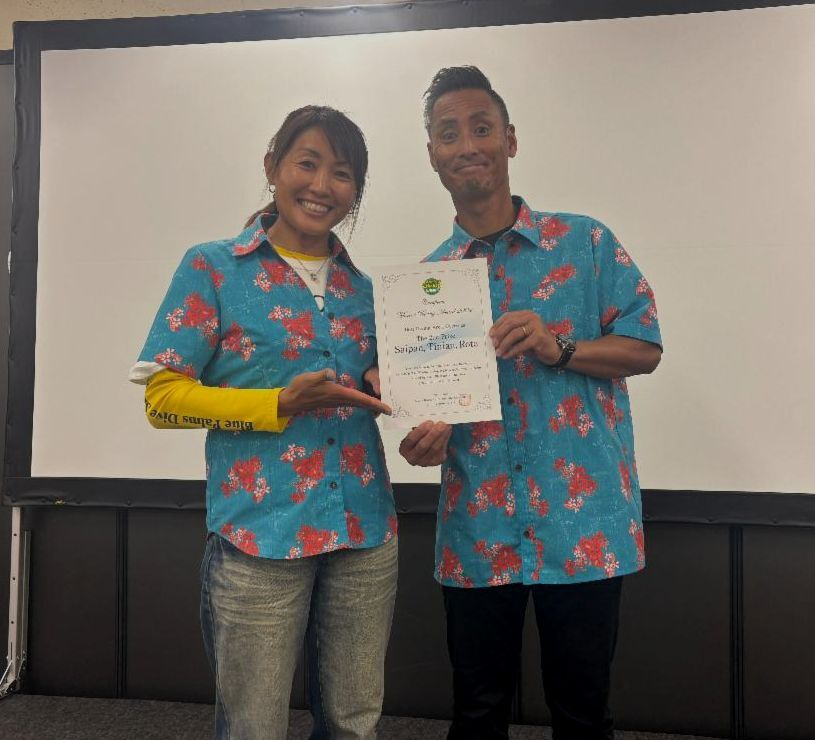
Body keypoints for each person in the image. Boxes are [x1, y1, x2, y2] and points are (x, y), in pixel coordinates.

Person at [399, 66, 663, 740]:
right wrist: (421, 438)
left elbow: (644, 346)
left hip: (584, 531)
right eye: (448, 133)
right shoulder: (424, 286)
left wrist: (561, 348)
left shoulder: (587, 243)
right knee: (477, 715)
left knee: (581, 716)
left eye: (481, 127)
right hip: (478, 531)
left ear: (510, 140)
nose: (466, 145)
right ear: (431, 153)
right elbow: (428, 413)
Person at [130, 106, 398, 740]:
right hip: (258, 537)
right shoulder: (214, 267)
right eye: (307, 163)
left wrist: (399, 393)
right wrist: (275, 403)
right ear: (273, 166)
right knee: (252, 727)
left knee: (355, 723)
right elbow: (161, 398)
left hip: (364, 532)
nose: (322, 185)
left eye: (342, 173)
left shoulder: (367, 290)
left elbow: (379, 386)